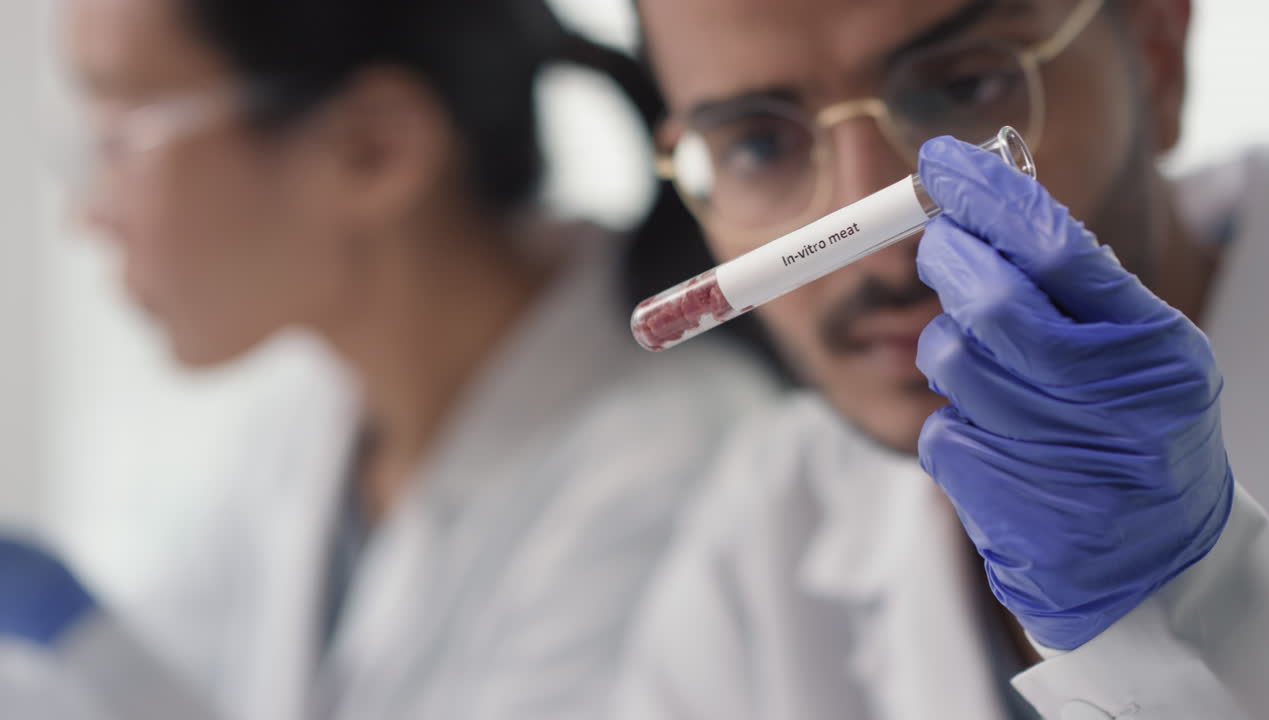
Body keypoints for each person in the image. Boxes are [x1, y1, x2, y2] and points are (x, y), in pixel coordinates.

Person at [0, 0, 777, 718]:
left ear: (373, 148)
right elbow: (181, 684)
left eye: (120, 135)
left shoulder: (668, 480)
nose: (87, 215)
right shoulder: (318, 413)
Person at [613, 0, 1269, 717]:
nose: (880, 251)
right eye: (757, 146)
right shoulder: (759, 550)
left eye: (963, 87)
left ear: (1158, 57)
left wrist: (1187, 613)